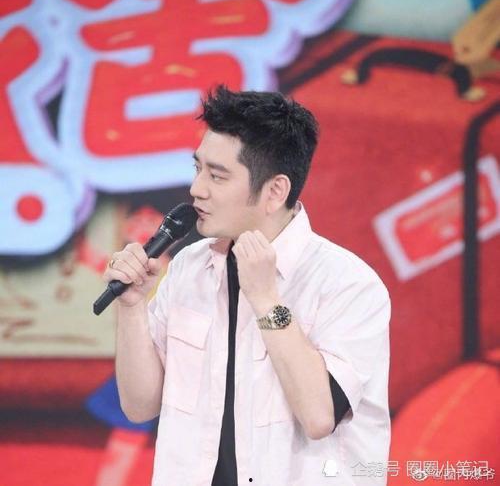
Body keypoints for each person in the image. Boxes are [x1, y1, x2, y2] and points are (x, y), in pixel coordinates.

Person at [104, 85, 391, 486]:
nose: (197, 189)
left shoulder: (349, 284)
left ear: (275, 191)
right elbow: (139, 406)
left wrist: (266, 299)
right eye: (198, 168)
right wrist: (133, 307)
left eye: (217, 176)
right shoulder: (188, 267)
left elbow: (318, 416)